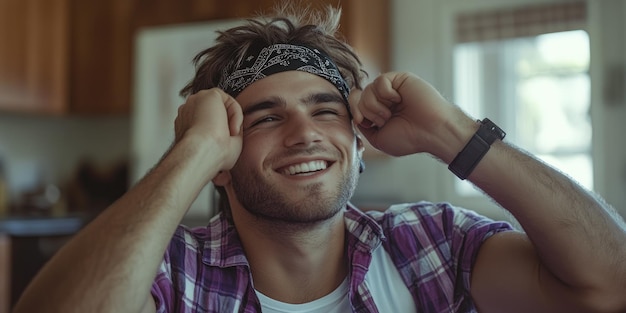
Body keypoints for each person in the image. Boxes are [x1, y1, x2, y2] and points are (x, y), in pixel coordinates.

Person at [13, 4, 626, 313]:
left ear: (359, 139)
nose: (306, 133)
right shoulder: (172, 278)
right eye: (267, 117)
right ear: (223, 158)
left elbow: (609, 284)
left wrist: (453, 132)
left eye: (326, 110)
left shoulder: (427, 245)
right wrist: (190, 153)